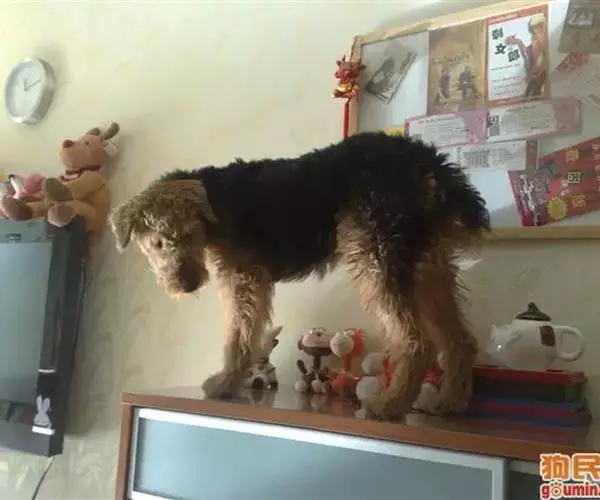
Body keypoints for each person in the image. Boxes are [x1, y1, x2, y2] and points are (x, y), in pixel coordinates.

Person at [505, 13, 548, 98]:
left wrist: (539, 69)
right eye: (534, 32)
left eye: (539, 31)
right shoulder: (534, 44)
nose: (535, 36)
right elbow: (528, 54)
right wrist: (518, 42)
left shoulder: (545, 42)